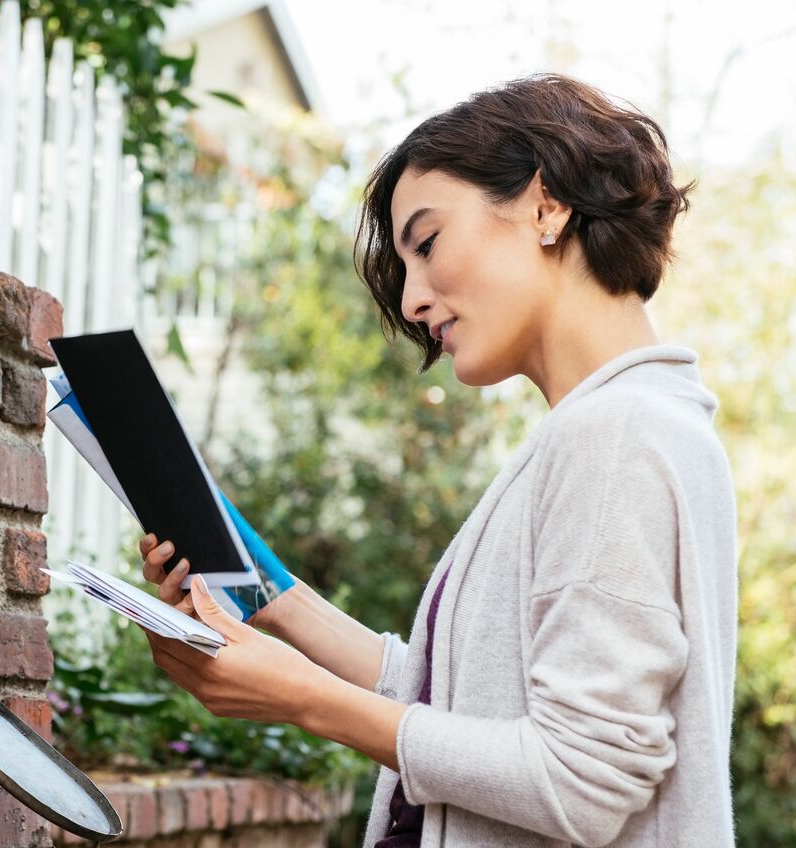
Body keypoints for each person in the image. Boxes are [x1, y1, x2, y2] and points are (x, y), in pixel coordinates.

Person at [134, 72, 738, 848]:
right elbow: (447, 699)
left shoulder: (616, 434)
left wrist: (300, 699)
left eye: (427, 242)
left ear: (546, 206)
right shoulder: (617, 426)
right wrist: (271, 596)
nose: (413, 298)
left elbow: (581, 780)